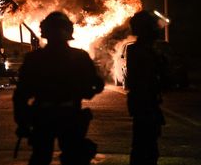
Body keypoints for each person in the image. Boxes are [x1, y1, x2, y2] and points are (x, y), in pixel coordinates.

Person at [13, 11, 104, 165]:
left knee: (41, 157)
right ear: (69, 31)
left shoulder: (34, 58)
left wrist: (22, 122)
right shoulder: (79, 57)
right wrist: (83, 91)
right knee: (72, 158)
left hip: (43, 116)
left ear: (44, 31)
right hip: (69, 115)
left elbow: (21, 95)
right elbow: (95, 85)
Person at [126, 10, 166, 165]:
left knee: (143, 147)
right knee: (145, 149)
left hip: (144, 105)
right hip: (146, 106)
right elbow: (158, 78)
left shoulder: (141, 50)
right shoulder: (143, 51)